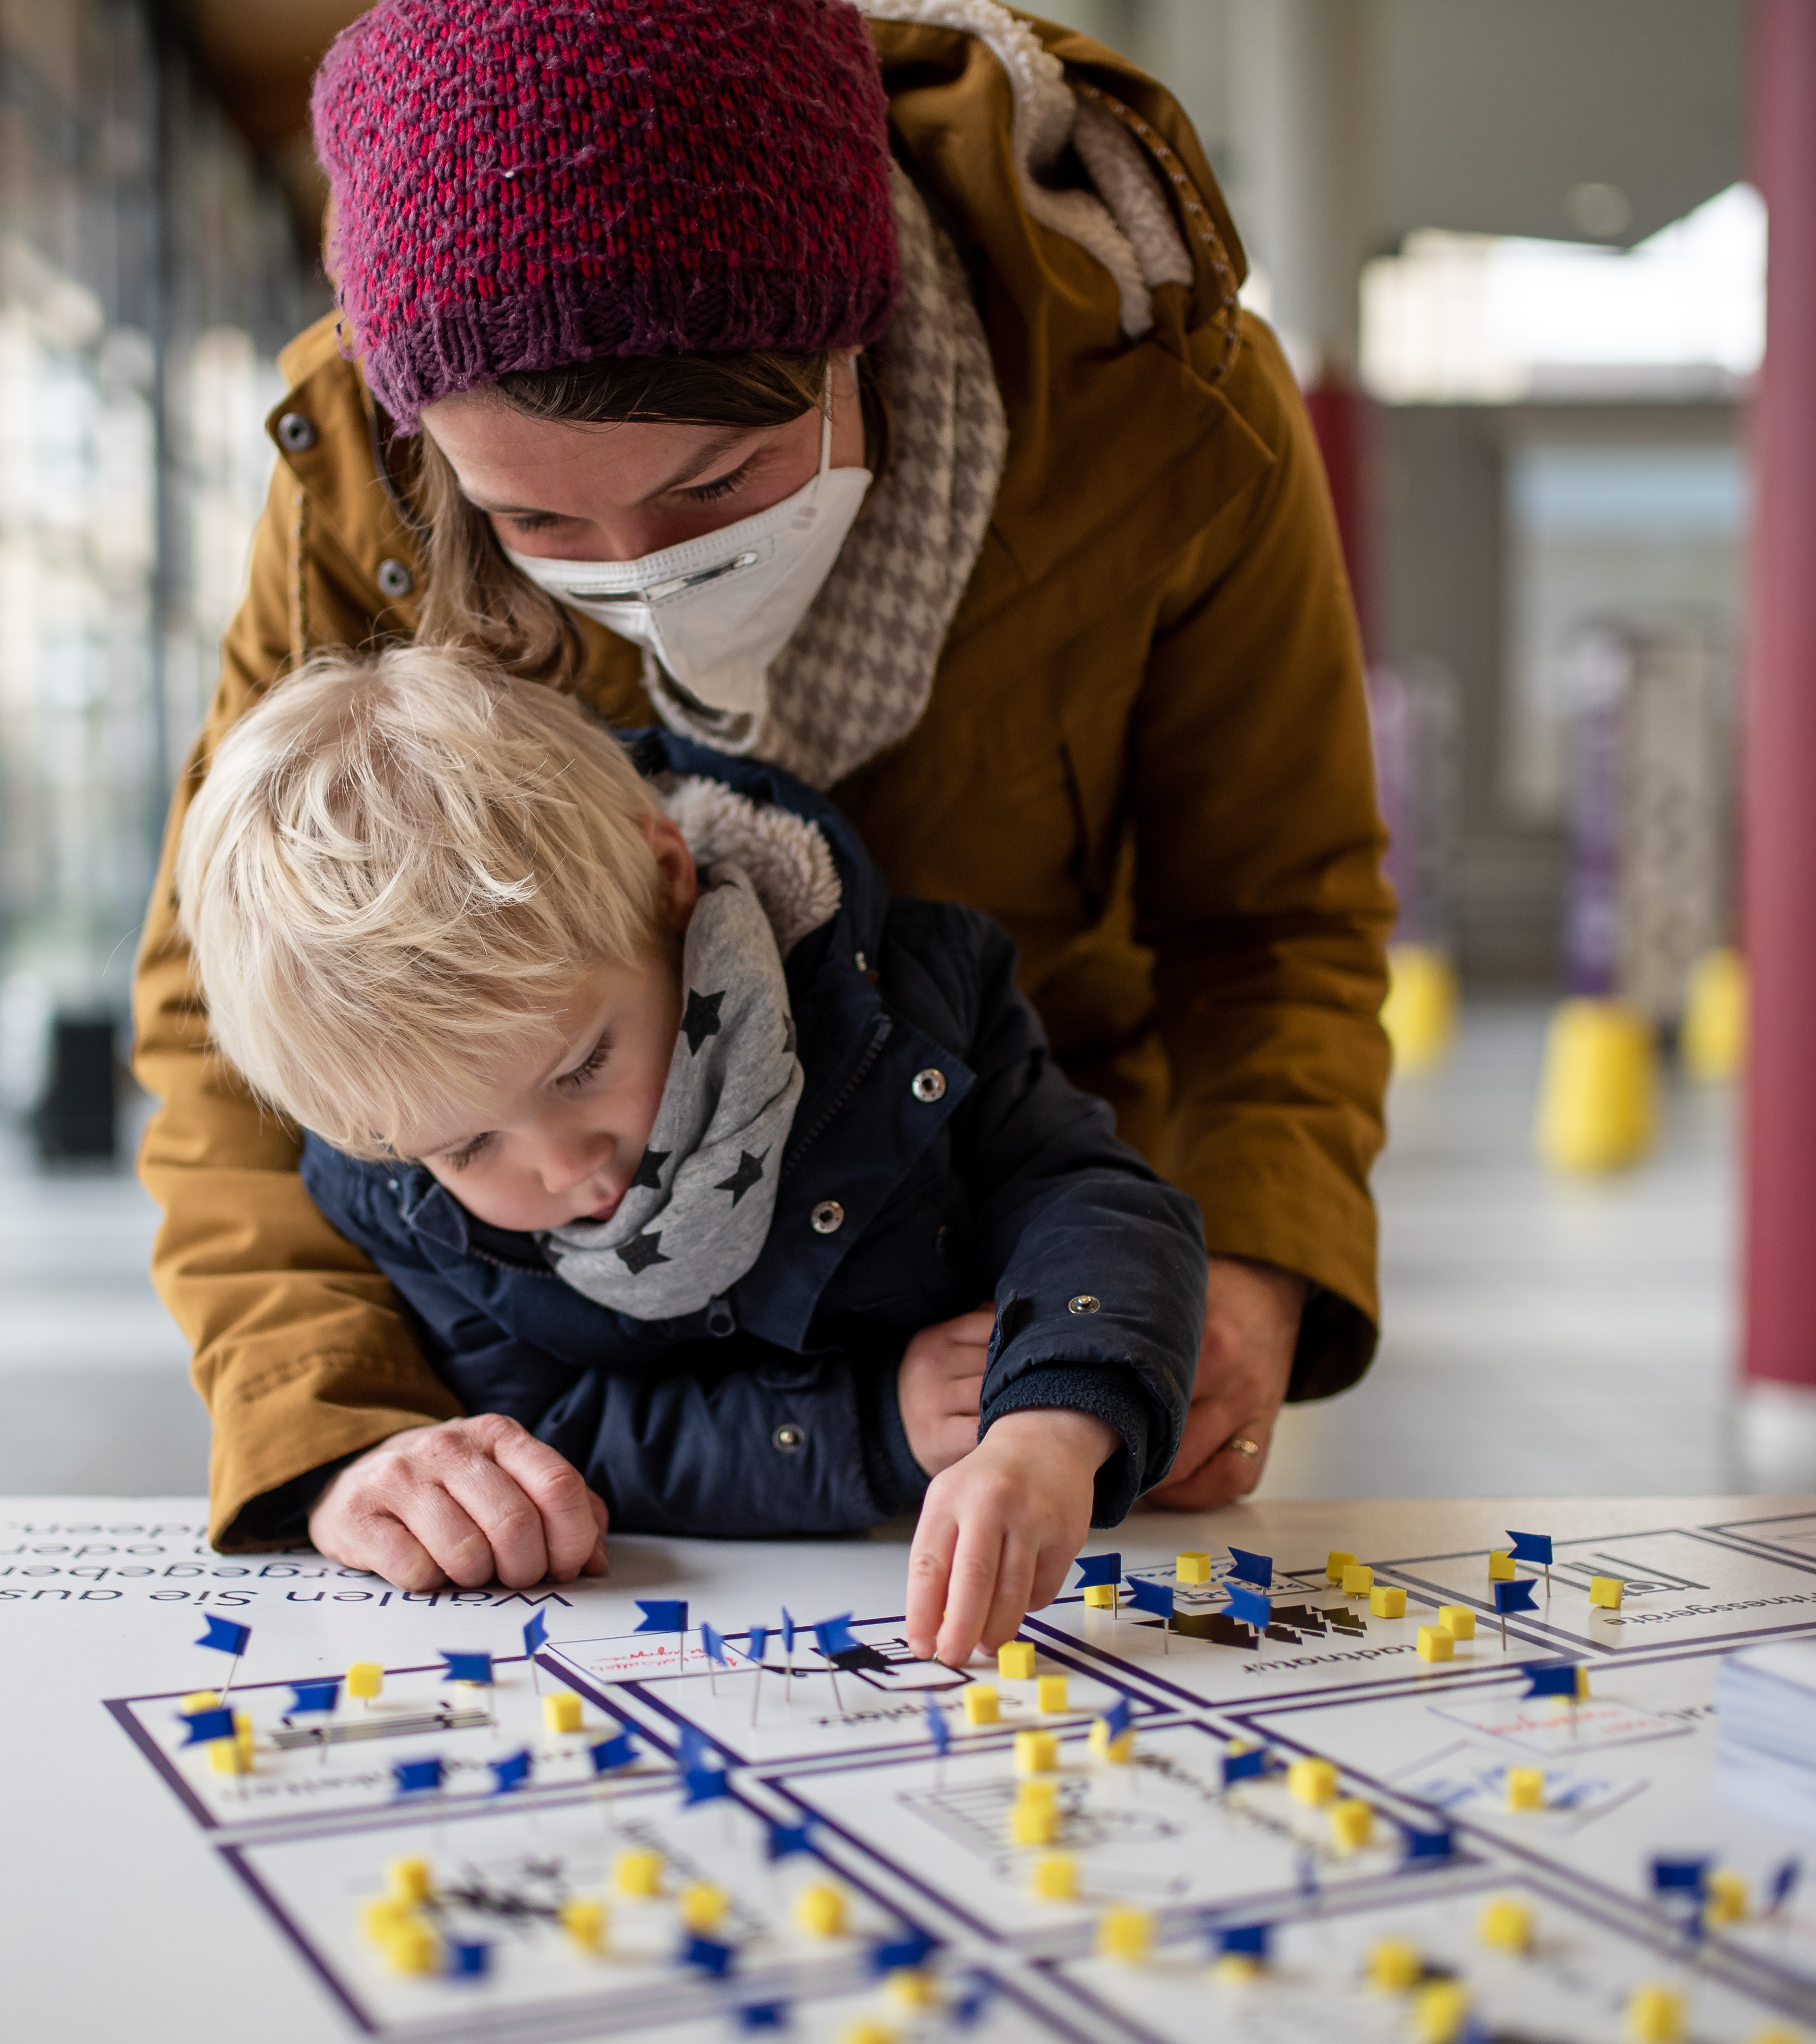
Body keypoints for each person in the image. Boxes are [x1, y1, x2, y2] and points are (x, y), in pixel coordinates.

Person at [134, 0, 1393, 1583]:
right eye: (540, 523)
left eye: (715, 487)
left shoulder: (1169, 411)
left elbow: (1272, 922)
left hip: (1032, 1295)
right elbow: (240, 993)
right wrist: (340, 1421)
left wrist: (1245, 1268)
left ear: (854, 338)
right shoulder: (358, 465)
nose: (645, 573)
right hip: (628, 1413)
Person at [176, 646, 1205, 1660]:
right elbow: (549, 1424)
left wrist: (1056, 1418)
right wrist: (868, 1424)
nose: (570, 1168)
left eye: (582, 1066)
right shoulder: (399, 1200)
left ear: (668, 880)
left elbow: (1090, 1200)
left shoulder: (909, 1002)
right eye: (471, 1144)